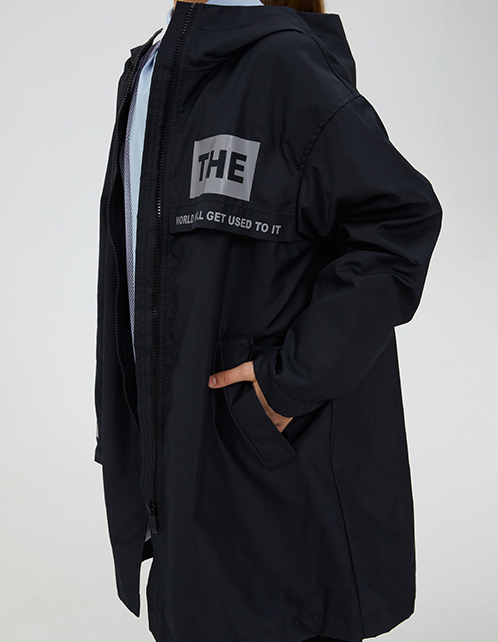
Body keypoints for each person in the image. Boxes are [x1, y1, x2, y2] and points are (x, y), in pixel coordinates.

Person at [94, 1, 443, 641]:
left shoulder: (280, 66)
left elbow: (399, 220)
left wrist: (287, 385)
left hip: (275, 487)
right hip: (186, 479)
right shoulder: (151, 70)